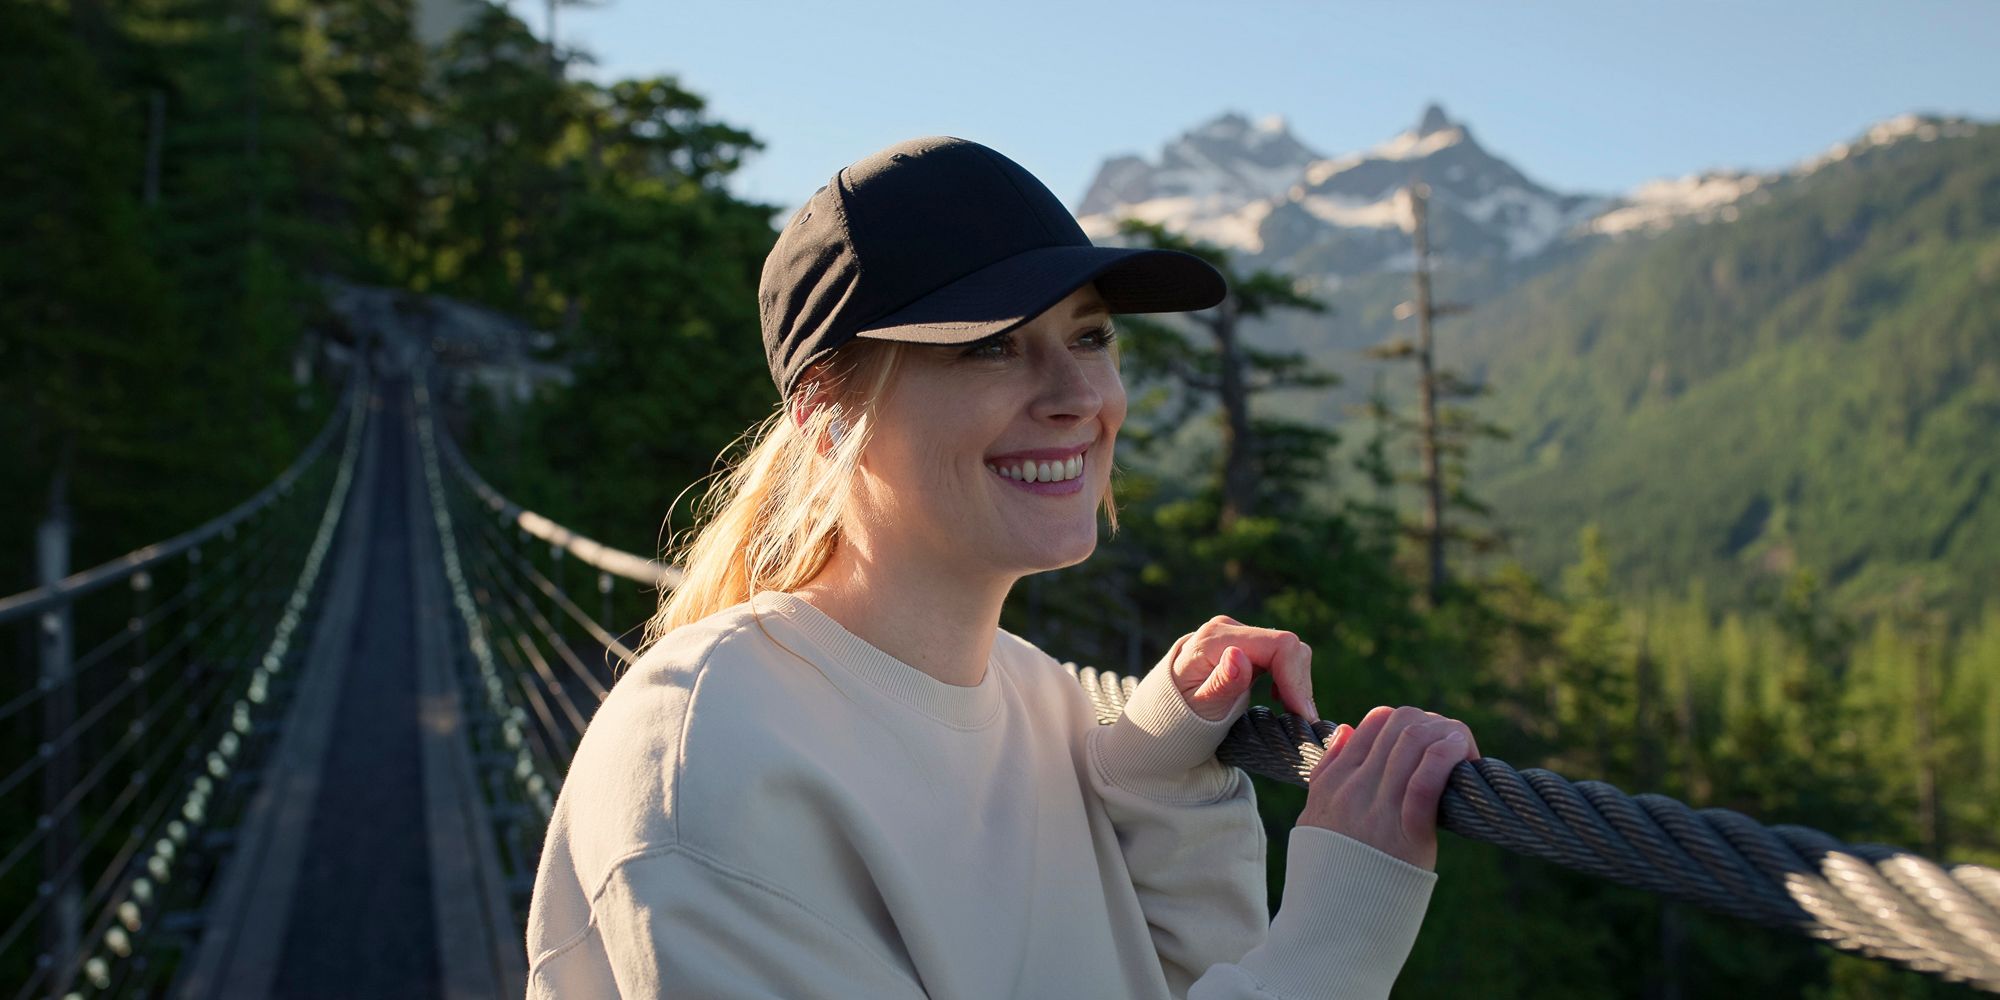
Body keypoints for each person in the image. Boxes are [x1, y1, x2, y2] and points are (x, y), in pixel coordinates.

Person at [523, 135, 1479, 999]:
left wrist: (1161, 789)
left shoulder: (1046, 702)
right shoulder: (709, 762)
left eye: (1091, 336)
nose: (1075, 397)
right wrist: (1332, 948)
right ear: (822, 410)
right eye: (989, 347)